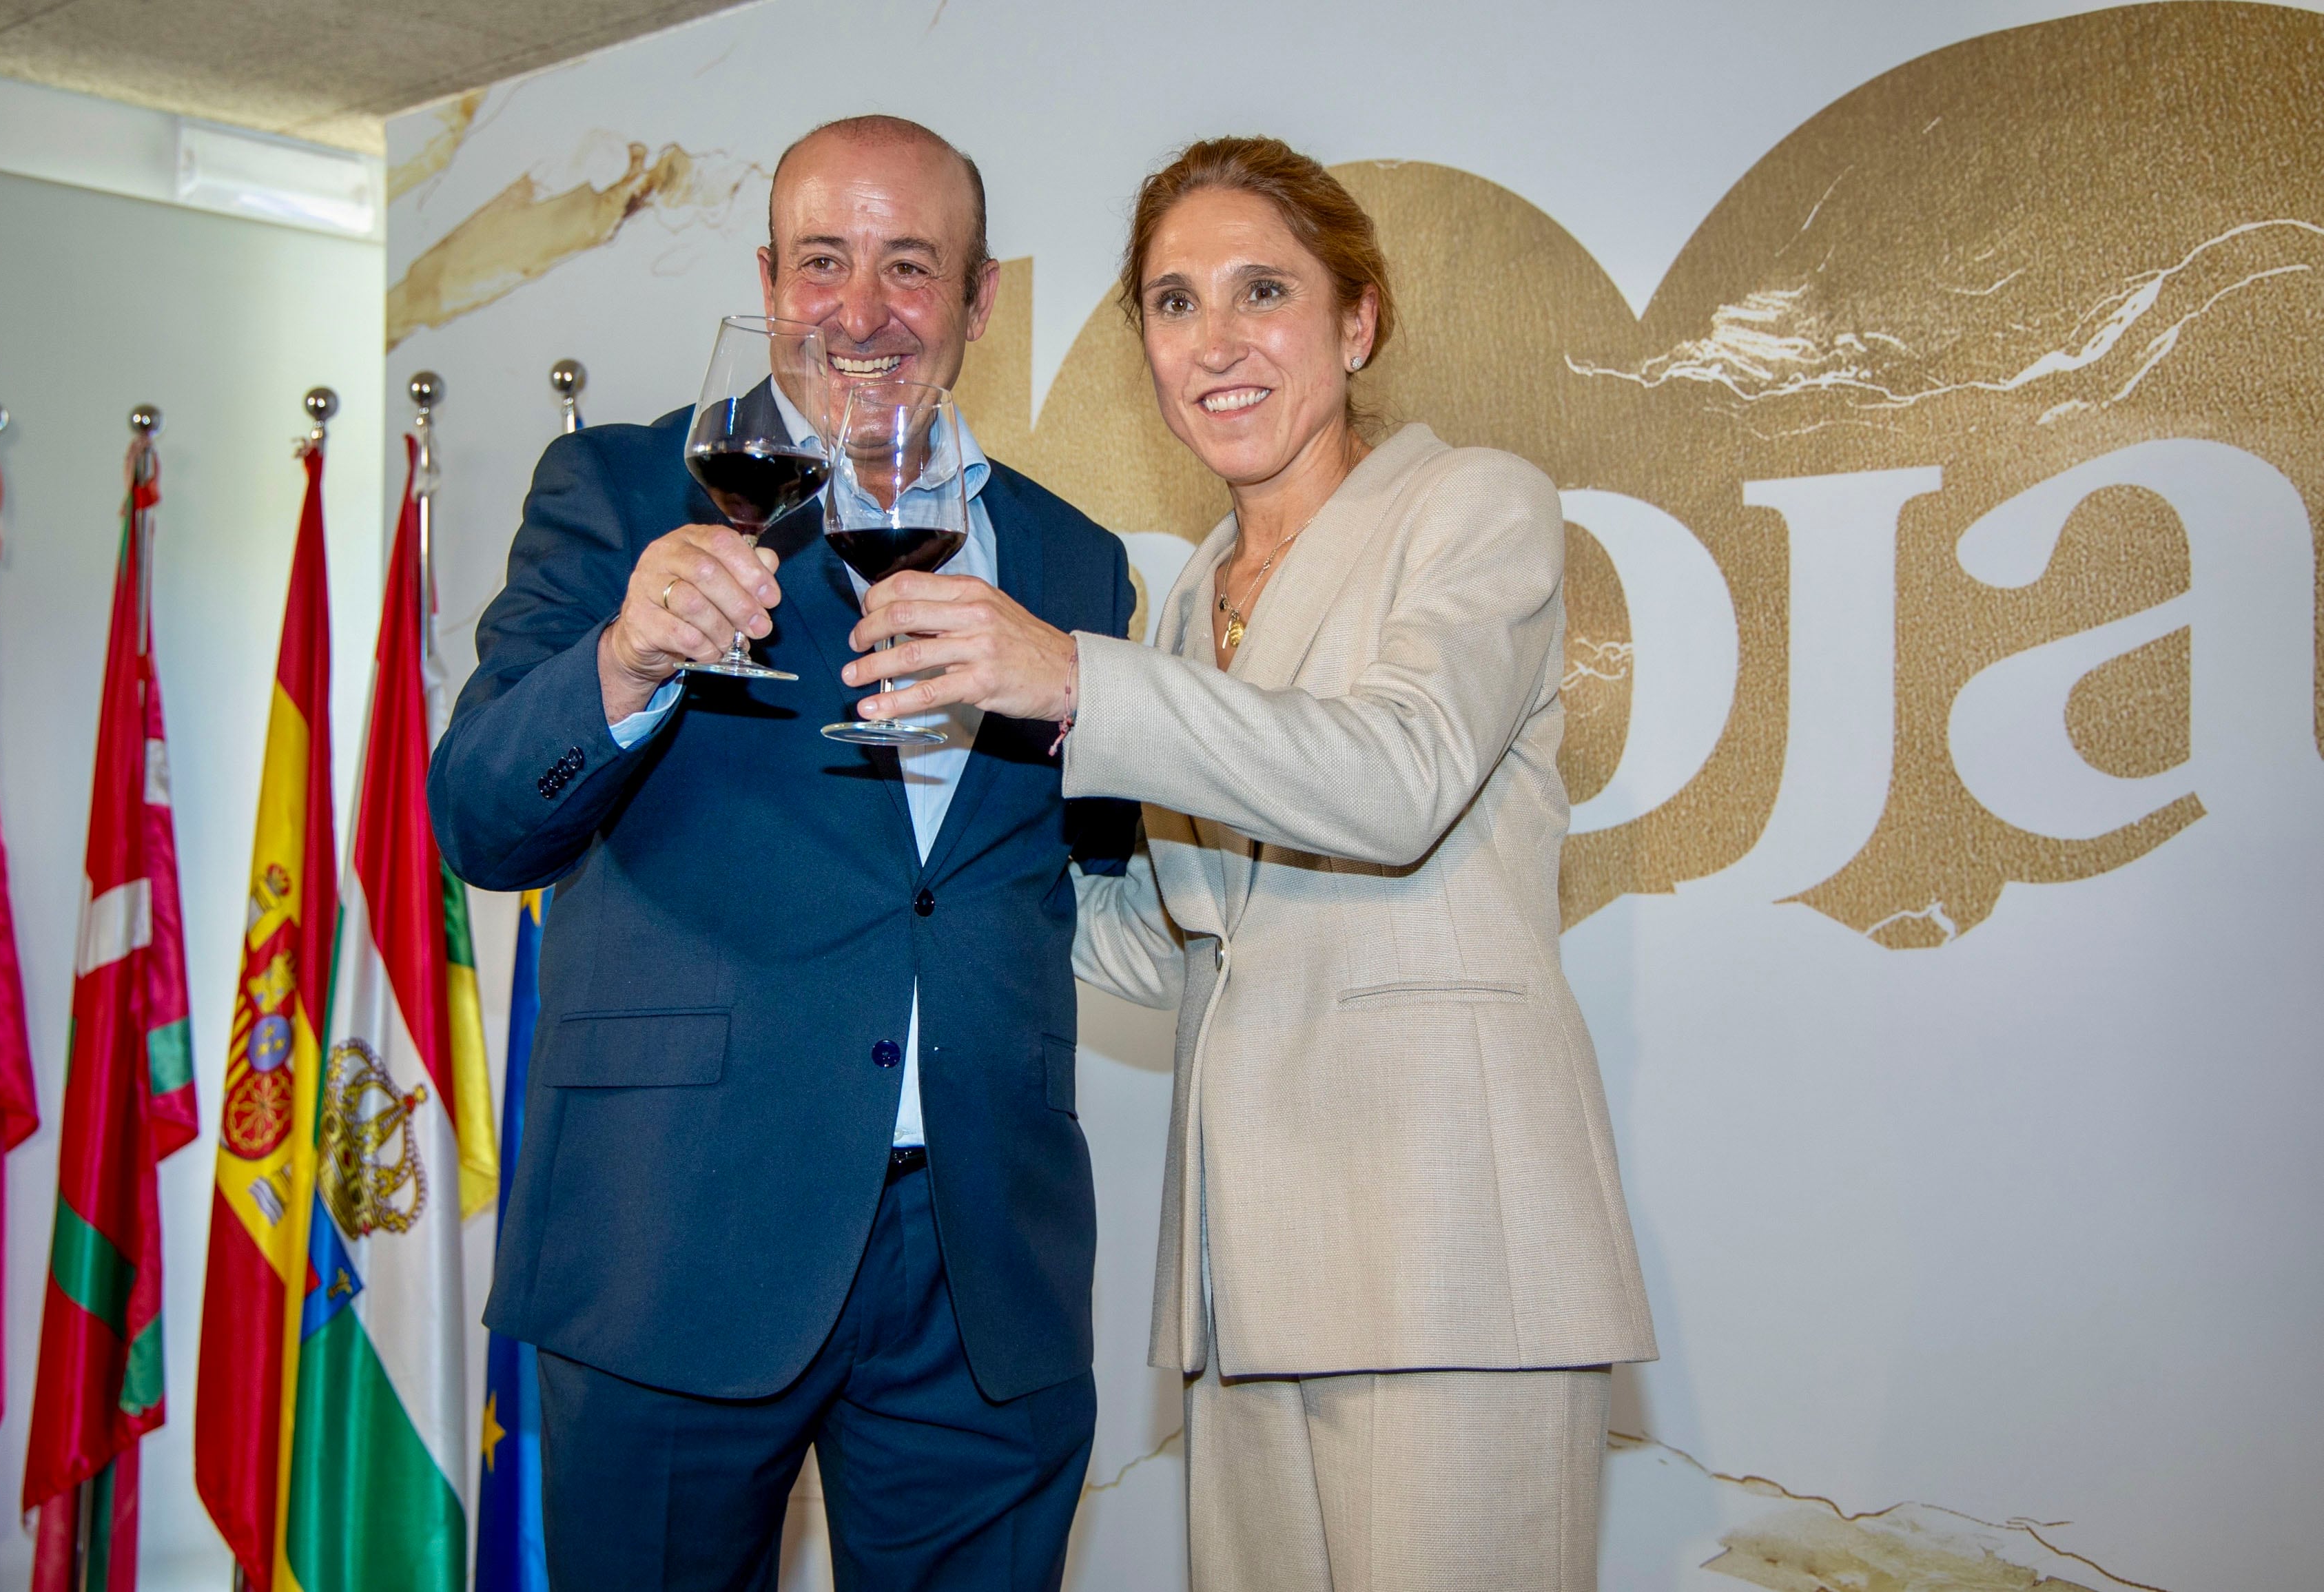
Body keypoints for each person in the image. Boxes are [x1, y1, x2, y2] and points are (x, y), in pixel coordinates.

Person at [842, 136, 1657, 1591]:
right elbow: (1172, 940)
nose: (1212, 341)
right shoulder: (1177, 607)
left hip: (1447, 1241)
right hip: (1242, 1263)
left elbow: (1398, 778)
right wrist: (919, 876)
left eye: (1260, 291)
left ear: (1356, 322)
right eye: (1172, 303)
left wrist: (1069, 679)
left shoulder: (1472, 505)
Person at [427, 115, 1137, 1591]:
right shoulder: (618, 489)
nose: (859, 313)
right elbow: (482, 820)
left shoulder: (1076, 560)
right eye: (821, 263)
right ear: (765, 281)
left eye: (908, 267)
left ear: (980, 299)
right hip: (672, 1235)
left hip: (981, 1266)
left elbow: (1085, 871)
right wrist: (624, 659)